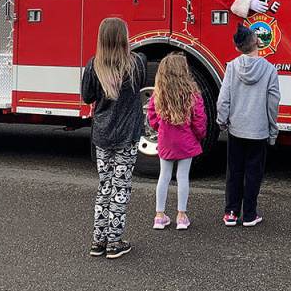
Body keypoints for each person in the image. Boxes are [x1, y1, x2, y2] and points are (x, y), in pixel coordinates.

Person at [81, 17, 147, 258]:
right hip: (127, 135)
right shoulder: (137, 63)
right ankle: (114, 242)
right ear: (124, 38)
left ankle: (98, 241)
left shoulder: (92, 66)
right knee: (121, 187)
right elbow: (139, 85)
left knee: (104, 186)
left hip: (102, 133)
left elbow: (87, 97)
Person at [217, 26, 280, 227]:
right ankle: (250, 214)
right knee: (254, 173)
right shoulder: (270, 69)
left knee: (234, 171)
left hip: (236, 129)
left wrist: (222, 120)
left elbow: (223, 98)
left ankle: (231, 212)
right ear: (257, 43)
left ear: (237, 48)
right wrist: (272, 129)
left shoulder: (232, 67)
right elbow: (273, 102)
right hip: (259, 130)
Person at [146, 53, 207, 230]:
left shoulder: (159, 93)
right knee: (182, 177)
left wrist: (160, 128)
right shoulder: (192, 94)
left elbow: (152, 115)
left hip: (166, 140)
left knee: (163, 176)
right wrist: (199, 134)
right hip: (186, 141)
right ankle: (181, 216)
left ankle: (159, 215)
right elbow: (199, 119)